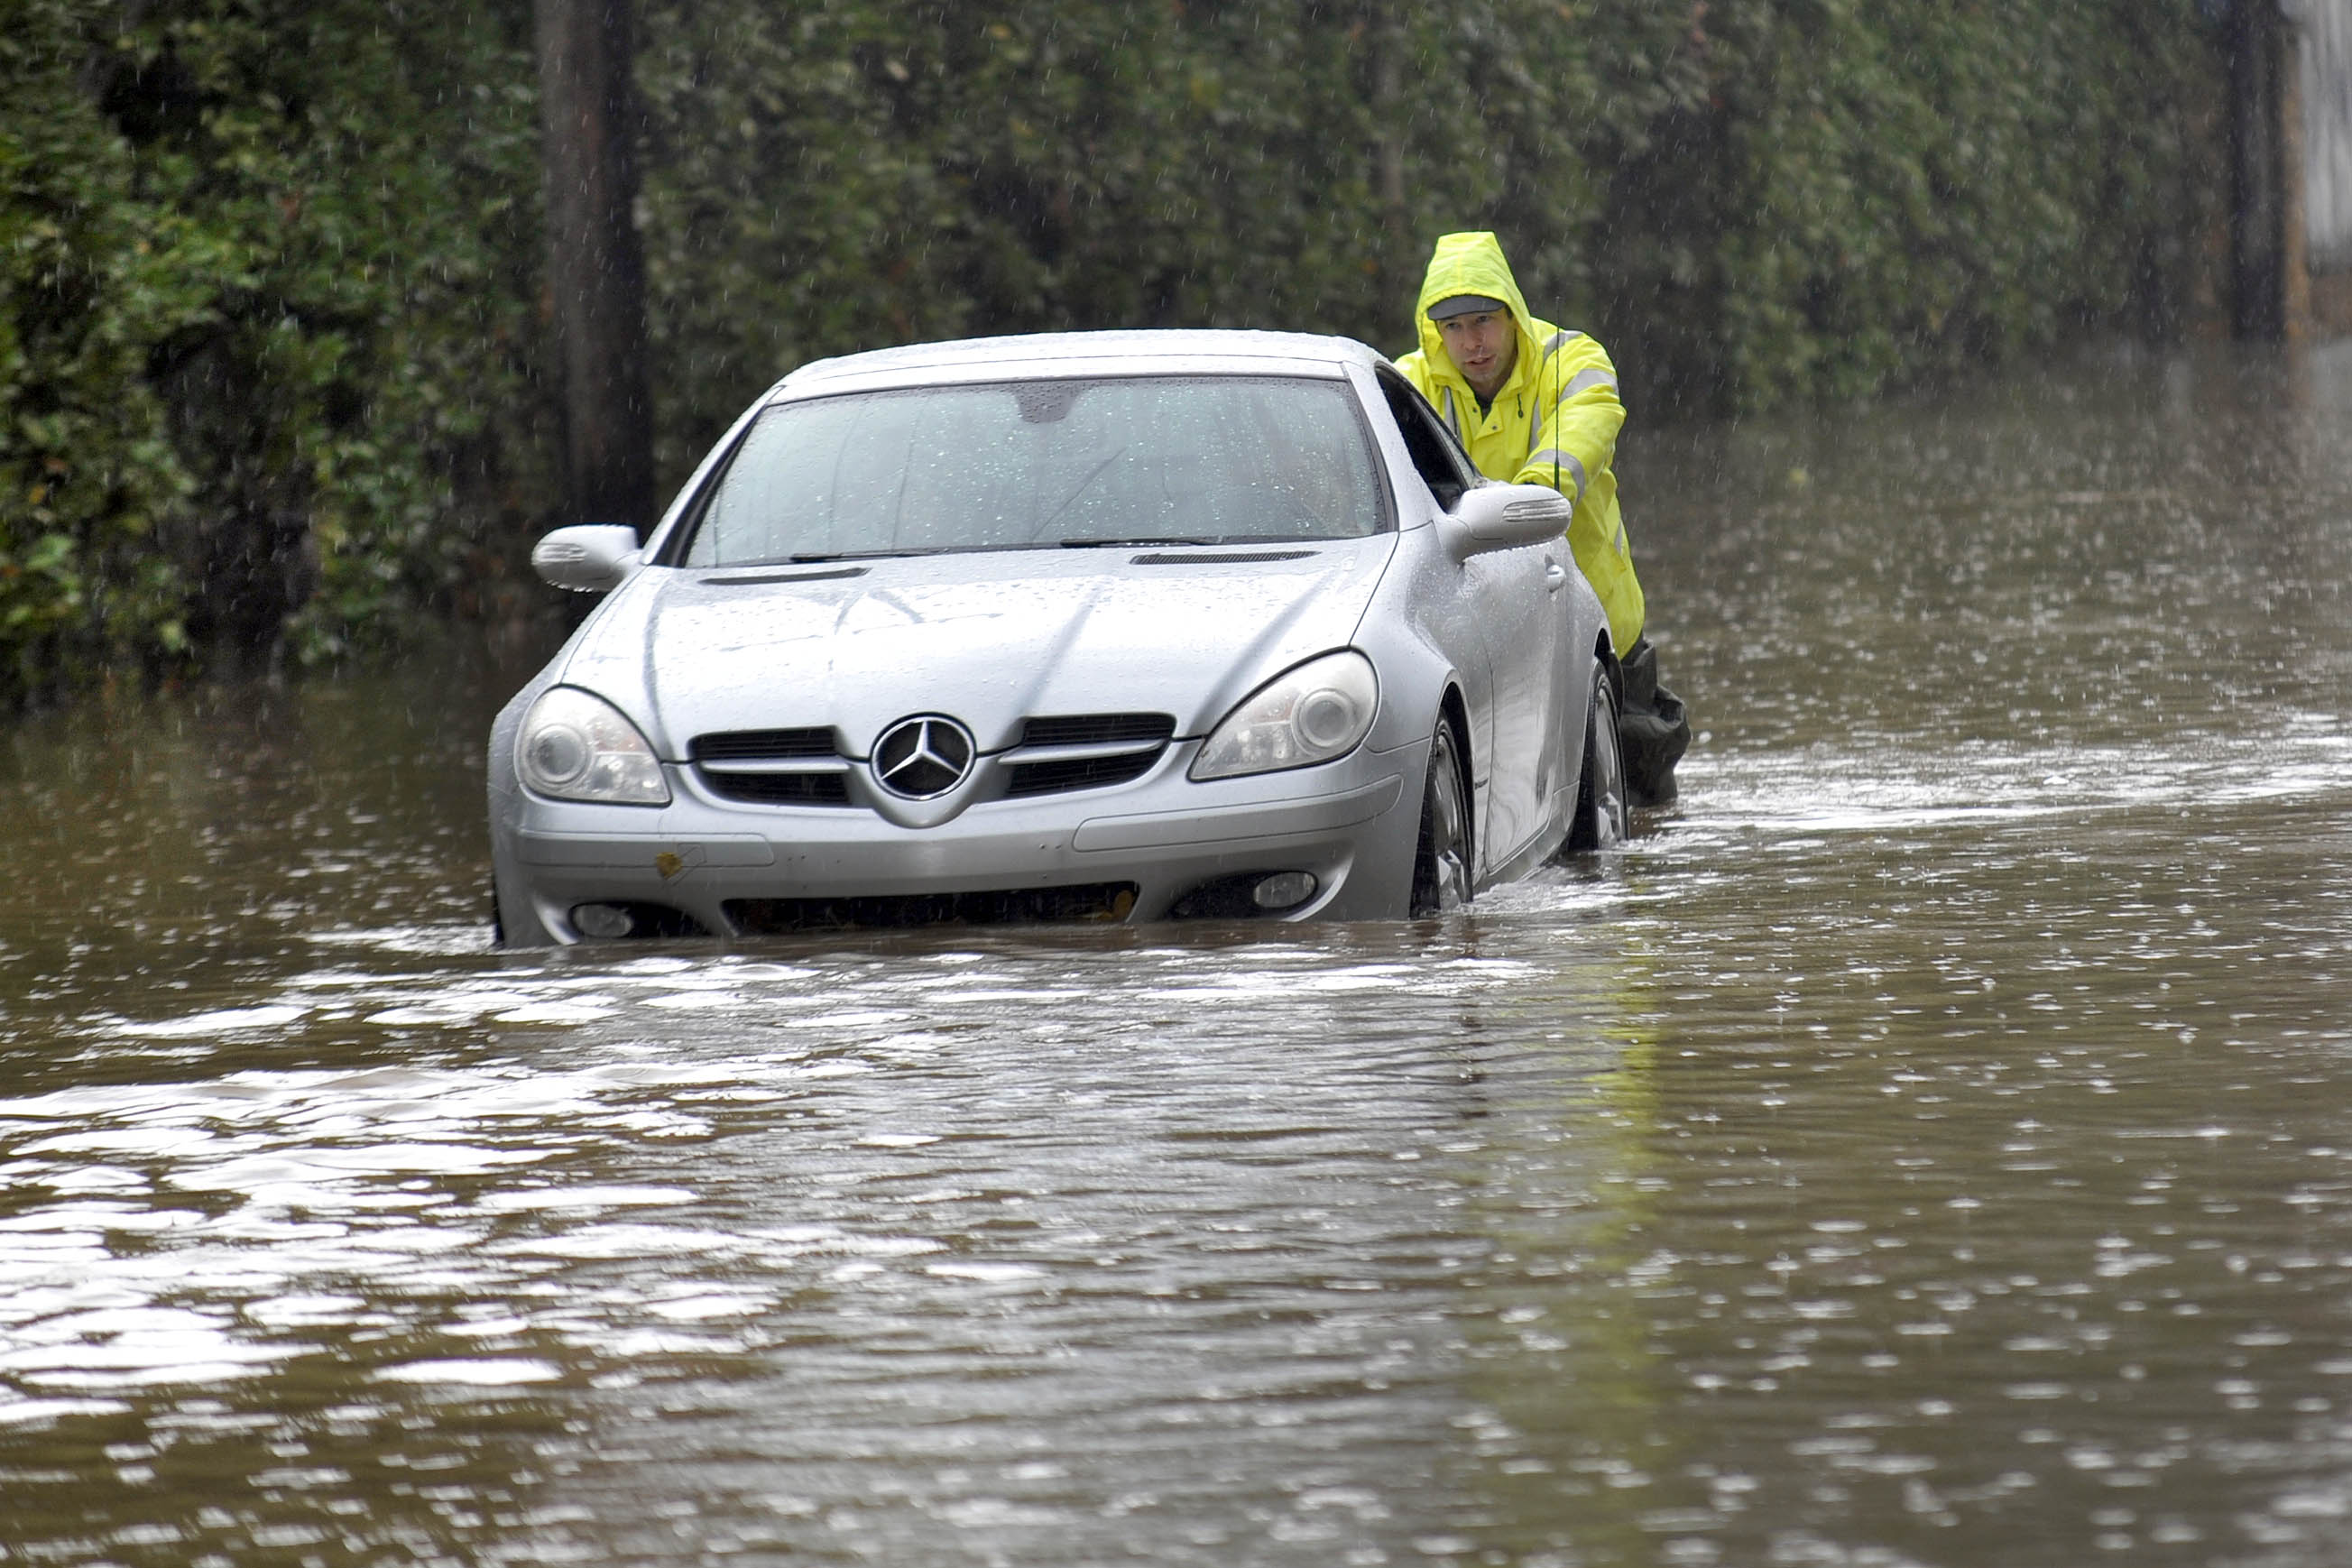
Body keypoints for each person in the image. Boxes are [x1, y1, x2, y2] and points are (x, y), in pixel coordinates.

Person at [1395, 230, 1688, 807]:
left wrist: (1531, 497)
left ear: (1512, 315)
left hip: (1597, 615)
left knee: (1641, 804)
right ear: (1434, 331)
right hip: (1482, 630)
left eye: (1483, 320)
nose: (1471, 341)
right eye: (1452, 327)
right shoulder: (1408, 384)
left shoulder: (1573, 359)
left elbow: (1583, 431)